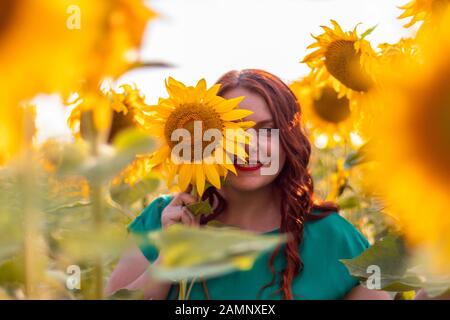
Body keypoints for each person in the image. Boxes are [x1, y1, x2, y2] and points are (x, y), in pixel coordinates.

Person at [105, 69, 391, 300]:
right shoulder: (163, 221)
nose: (248, 146)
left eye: (266, 130)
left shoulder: (333, 237)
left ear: (289, 141)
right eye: (233, 130)